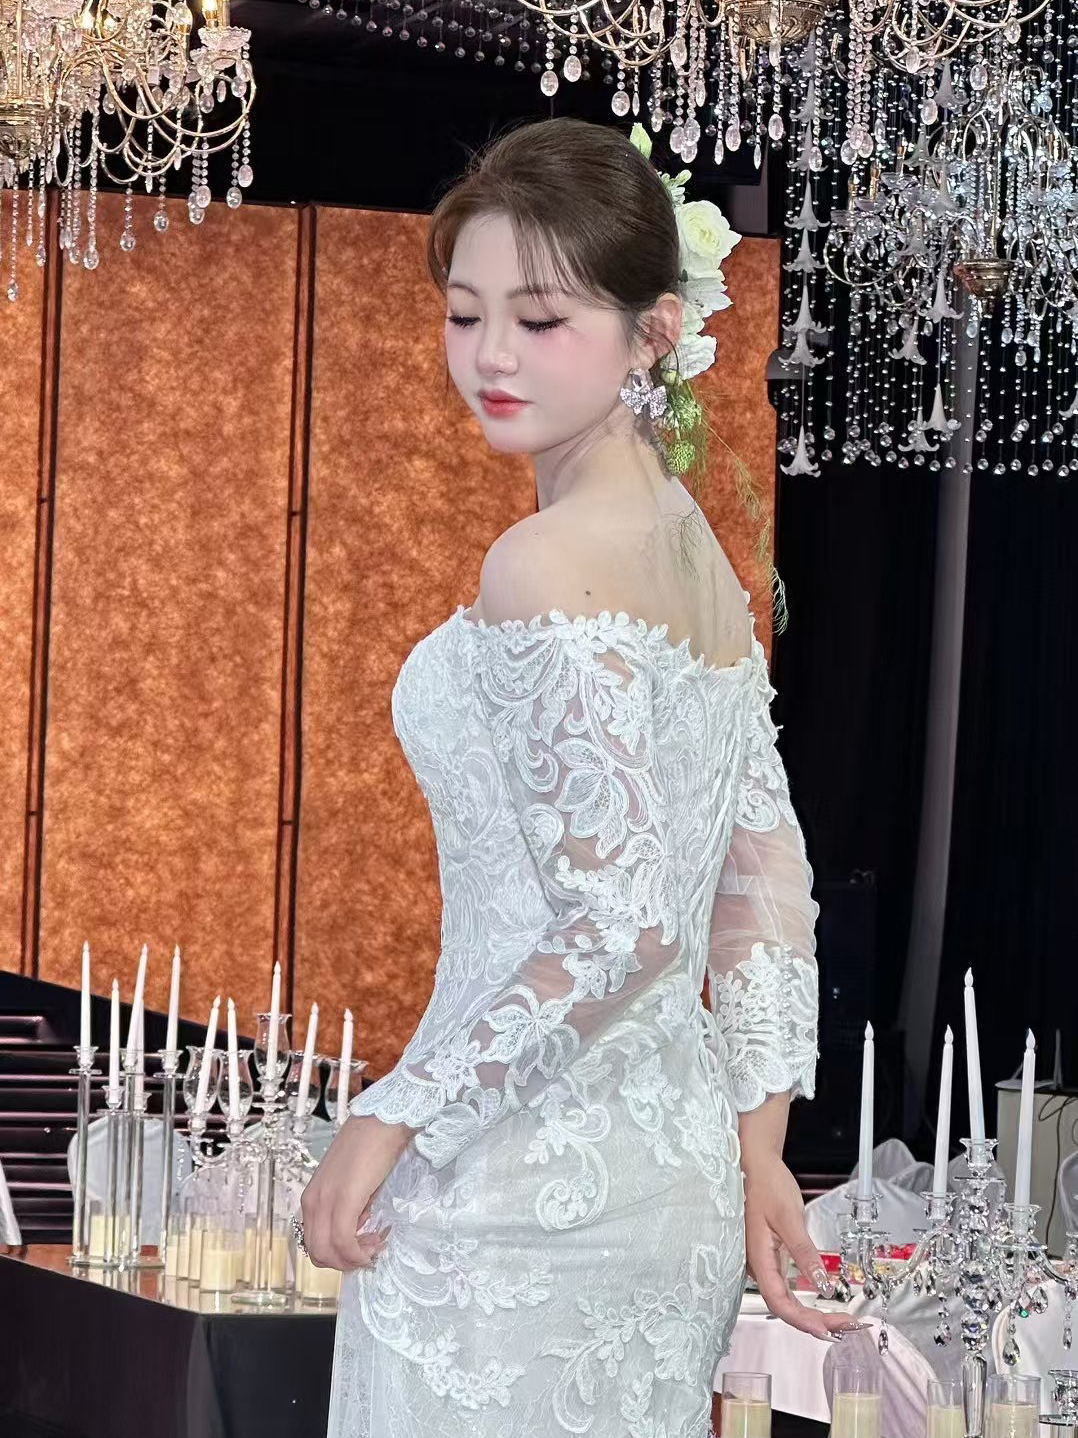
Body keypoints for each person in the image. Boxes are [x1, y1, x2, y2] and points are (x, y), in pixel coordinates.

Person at [300, 116, 862, 1438]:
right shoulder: (696, 557)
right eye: (466, 313)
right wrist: (758, 1149)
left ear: (652, 332)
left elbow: (623, 926)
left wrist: (394, 1115)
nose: (491, 355)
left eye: (541, 319)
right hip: (668, 1185)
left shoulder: (546, 560)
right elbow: (765, 886)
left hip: (504, 1184)